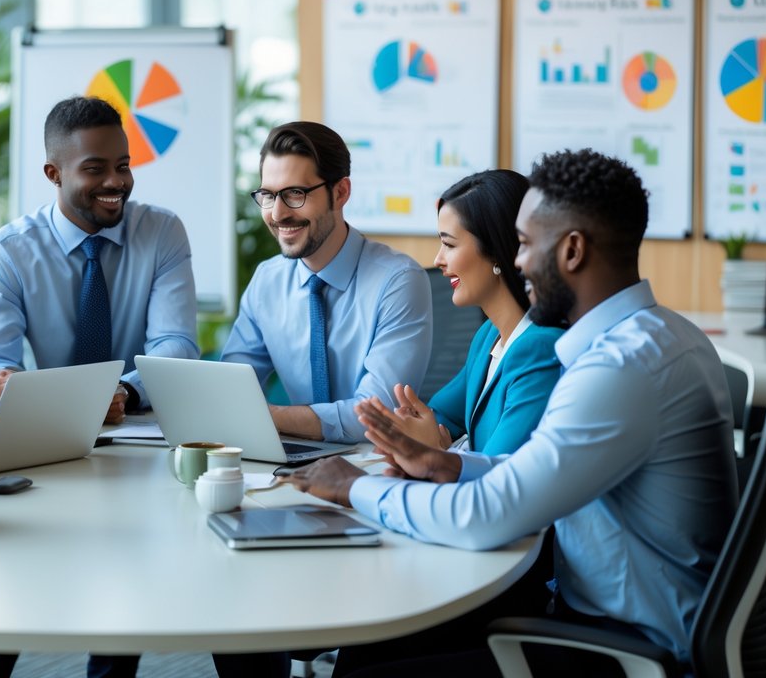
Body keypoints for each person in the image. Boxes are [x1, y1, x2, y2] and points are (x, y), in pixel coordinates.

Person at [288, 149, 738, 676]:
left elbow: (489, 515)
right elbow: (536, 469)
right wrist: (449, 465)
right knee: (374, 649)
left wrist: (353, 487)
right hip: (618, 626)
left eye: (525, 244)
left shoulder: (618, 369)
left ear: (571, 251)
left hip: (627, 651)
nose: (518, 262)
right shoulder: (663, 336)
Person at [0, 95, 199, 423]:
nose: (116, 181)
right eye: (94, 169)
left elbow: (176, 344)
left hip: (137, 427)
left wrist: (124, 391)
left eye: (123, 166)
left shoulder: (161, 232)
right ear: (53, 174)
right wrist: (55, 398)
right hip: (43, 427)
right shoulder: (5, 254)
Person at [221, 121, 433, 444]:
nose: (277, 214)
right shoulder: (267, 281)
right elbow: (230, 388)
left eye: (295, 194)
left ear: (340, 193)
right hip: (289, 464)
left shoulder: (398, 282)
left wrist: (269, 417)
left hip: (375, 467)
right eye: (267, 195)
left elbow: (374, 417)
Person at [358, 169, 562, 456]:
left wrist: (436, 454)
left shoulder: (540, 348)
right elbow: (442, 414)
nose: (438, 260)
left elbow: (497, 476)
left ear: (496, 249)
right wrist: (415, 430)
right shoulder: (489, 335)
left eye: (449, 244)